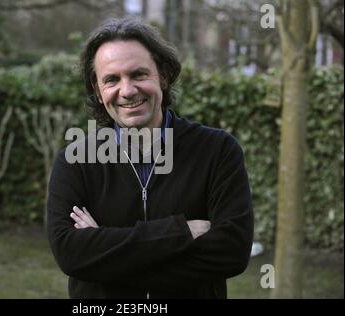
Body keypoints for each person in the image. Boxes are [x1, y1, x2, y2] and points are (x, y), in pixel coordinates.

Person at [47, 17, 254, 299]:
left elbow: (232, 252)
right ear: (97, 91)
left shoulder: (217, 151)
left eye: (139, 74)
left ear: (164, 75)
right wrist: (180, 232)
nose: (128, 90)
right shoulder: (76, 161)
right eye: (111, 80)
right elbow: (70, 254)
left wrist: (106, 256)